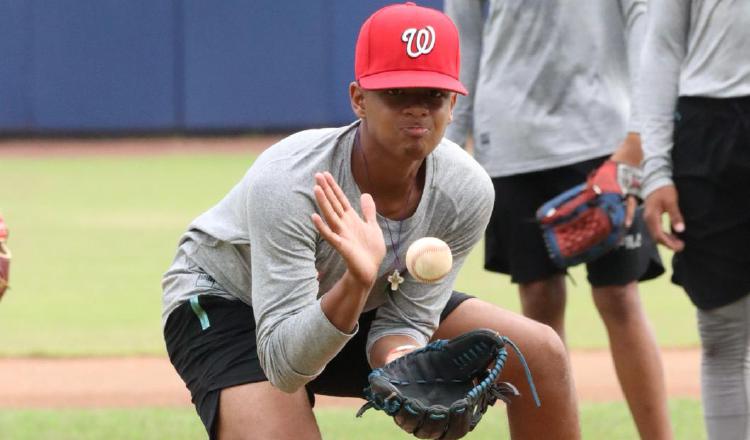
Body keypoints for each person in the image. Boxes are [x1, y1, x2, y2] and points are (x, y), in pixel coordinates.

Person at [161, 3, 580, 439]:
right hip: (229, 302)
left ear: (453, 104)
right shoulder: (294, 181)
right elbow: (284, 365)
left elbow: (405, 320)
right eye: (397, 93)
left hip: (360, 301)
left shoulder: (465, 191)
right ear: (359, 99)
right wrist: (356, 283)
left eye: (433, 94)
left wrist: (405, 366)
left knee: (540, 352)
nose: (417, 110)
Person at [444, 1, 673, 439]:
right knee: (538, 301)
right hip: (512, 139)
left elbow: (645, 18)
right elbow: (464, 34)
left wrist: (640, 138)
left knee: (619, 297)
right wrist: (448, 149)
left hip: (605, 135)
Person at [638, 0, 750, 438]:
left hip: (709, 128)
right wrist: (656, 172)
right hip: (707, 128)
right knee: (721, 331)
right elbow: (661, 48)